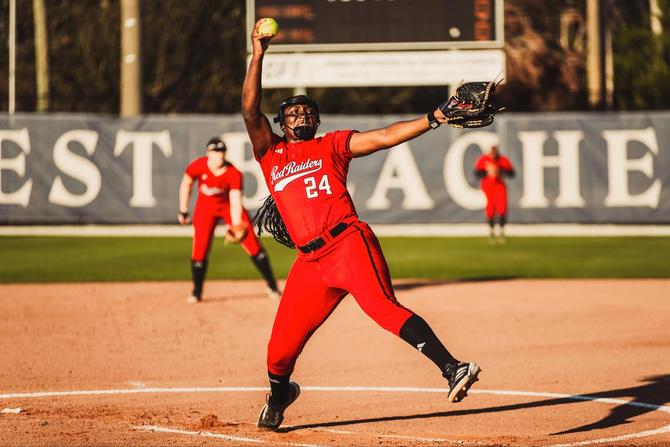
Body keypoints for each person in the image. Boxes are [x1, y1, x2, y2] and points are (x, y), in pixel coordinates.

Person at [242, 19, 481, 431]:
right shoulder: (271, 154)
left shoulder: (332, 146)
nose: (301, 116)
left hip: (347, 243)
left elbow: (386, 135)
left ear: (316, 122)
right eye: (293, 113)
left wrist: (436, 116)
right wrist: (258, 54)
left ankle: (453, 367)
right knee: (278, 353)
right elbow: (249, 107)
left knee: (382, 308)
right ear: (281, 123)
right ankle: (280, 396)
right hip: (309, 264)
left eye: (308, 112)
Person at [178, 137, 281, 303]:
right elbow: (186, 184)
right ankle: (196, 292)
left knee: (252, 244)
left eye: (222, 152)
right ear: (208, 153)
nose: (219, 155)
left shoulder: (233, 173)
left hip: (227, 207)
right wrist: (183, 210)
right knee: (200, 248)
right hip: (205, 209)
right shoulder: (198, 166)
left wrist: (235, 224)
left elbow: (235, 200)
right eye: (215, 151)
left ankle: (272, 286)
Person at [474, 145, 515, 243]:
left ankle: (501, 232)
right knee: (490, 209)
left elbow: (511, 173)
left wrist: (500, 171)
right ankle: (491, 232)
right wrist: (487, 172)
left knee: (502, 209)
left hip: (499, 186)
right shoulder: (483, 159)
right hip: (488, 186)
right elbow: (477, 173)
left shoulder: (502, 160)